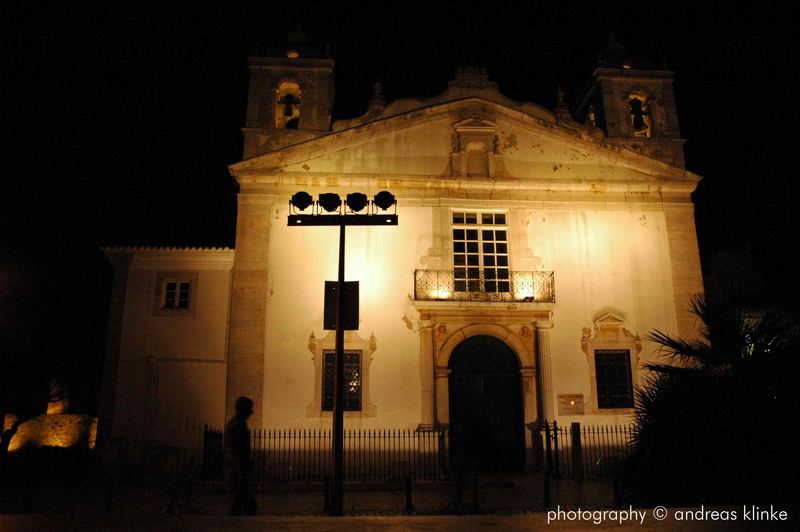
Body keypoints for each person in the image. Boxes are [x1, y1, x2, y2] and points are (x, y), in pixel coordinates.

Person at [224, 396, 256, 515]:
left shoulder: (237, 424)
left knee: (240, 502)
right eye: (249, 409)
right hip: (238, 471)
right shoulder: (236, 425)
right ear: (244, 409)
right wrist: (241, 471)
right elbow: (233, 451)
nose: (252, 412)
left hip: (239, 470)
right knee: (236, 502)